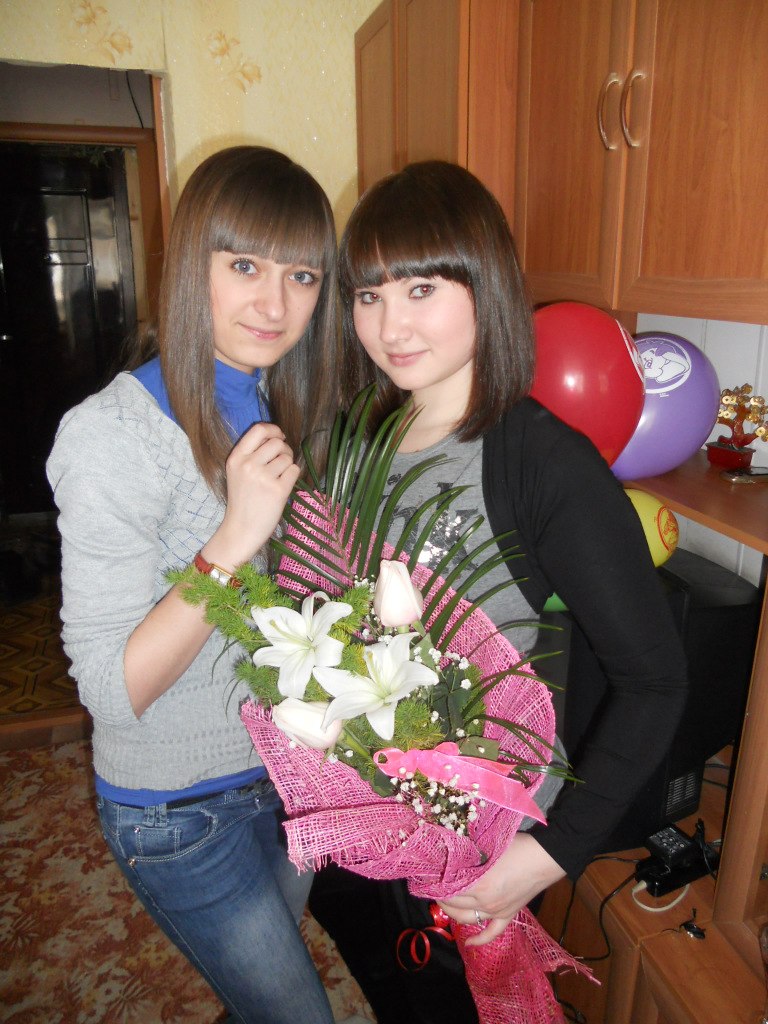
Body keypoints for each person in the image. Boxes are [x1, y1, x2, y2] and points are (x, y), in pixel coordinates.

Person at [308, 160, 688, 1024]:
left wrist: (547, 856)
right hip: (364, 810)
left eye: (421, 288)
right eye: (368, 294)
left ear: (485, 285)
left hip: (474, 840)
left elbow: (656, 681)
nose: (390, 325)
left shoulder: (542, 463)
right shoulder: (361, 436)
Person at [46, 146, 340, 1024]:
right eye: (244, 266)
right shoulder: (110, 437)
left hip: (289, 776)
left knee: (265, 999)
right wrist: (234, 540)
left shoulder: (278, 399)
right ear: (191, 266)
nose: (275, 305)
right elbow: (112, 690)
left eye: (301, 276)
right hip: (180, 812)